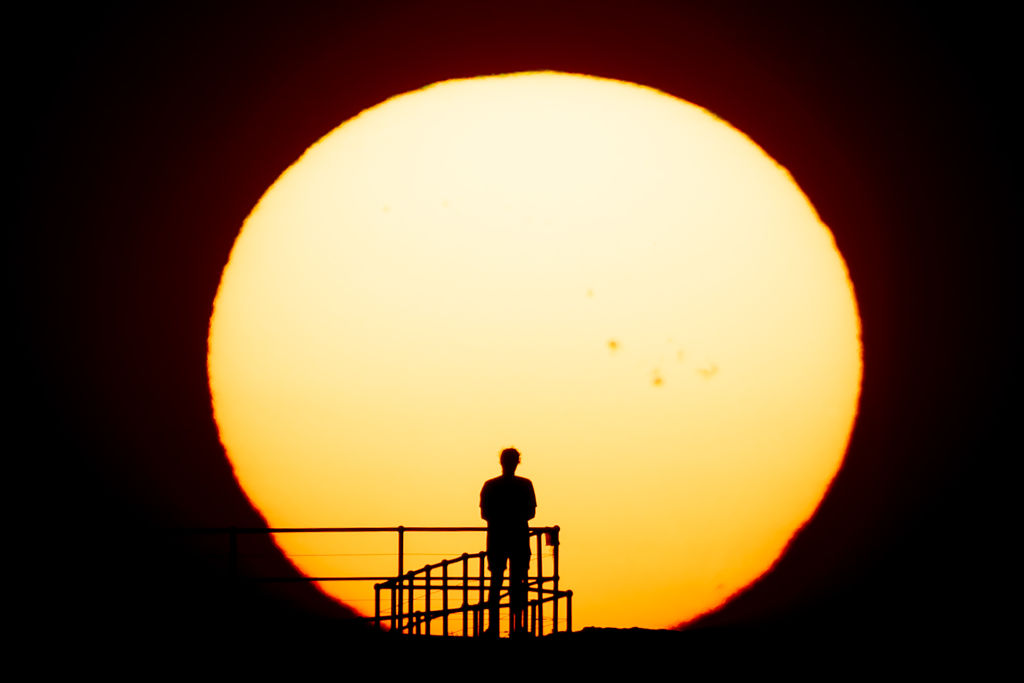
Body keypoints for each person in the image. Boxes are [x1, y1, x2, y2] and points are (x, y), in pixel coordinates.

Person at [479, 447, 536, 637]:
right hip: (519, 538)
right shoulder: (525, 485)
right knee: (518, 583)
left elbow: (485, 514)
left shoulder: (490, 485)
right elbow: (531, 513)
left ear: (501, 462)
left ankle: (493, 627)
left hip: (497, 539)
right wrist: (515, 518)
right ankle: (518, 627)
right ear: (517, 462)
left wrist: (501, 519)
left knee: (496, 582)